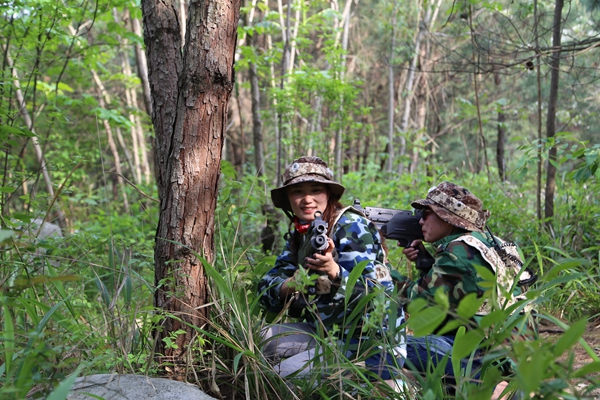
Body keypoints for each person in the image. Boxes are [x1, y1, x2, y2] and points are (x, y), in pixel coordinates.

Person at [257, 156, 405, 383]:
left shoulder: (353, 227)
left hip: (368, 344)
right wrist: (288, 286)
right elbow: (266, 285)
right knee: (257, 340)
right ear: (288, 199)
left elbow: (376, 296)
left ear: (329, 195)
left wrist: (335, 272)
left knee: (282, 377)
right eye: (297, 192)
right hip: (325, 332)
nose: (307, 200)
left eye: (316, 190)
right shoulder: (302, 235)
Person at [395, 182, 533, 397]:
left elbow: (417, 303)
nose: (420, 220)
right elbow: (458, 297)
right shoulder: (494, 244)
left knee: (394, 346)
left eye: (426, 213)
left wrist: (379, 271)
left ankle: (495, 389)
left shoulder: (457, 251)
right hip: (518, 356)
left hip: (488, 360)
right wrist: (425, 264)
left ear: (446, 216)